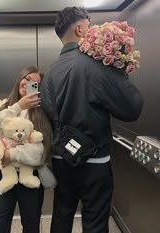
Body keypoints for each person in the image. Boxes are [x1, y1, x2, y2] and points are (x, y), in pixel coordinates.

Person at [40, 7, 144, 233]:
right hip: (94, 161)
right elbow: (132, 108)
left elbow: (46, 112)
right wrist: (119, 70)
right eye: (89, 25)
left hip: (61, 158)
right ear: (79, 28)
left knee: (62, 214)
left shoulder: (49, 73)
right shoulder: (96, 66)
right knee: (95, 221)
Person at [0, 66, 52, 233]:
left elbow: (41, 151)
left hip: (31, 177)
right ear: (19, 78)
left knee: (31, 227)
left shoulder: (42, 113)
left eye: (35, 83)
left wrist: (11, 153)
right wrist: (17, 107)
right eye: (27, 79)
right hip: (3, 175)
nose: (29, 84)